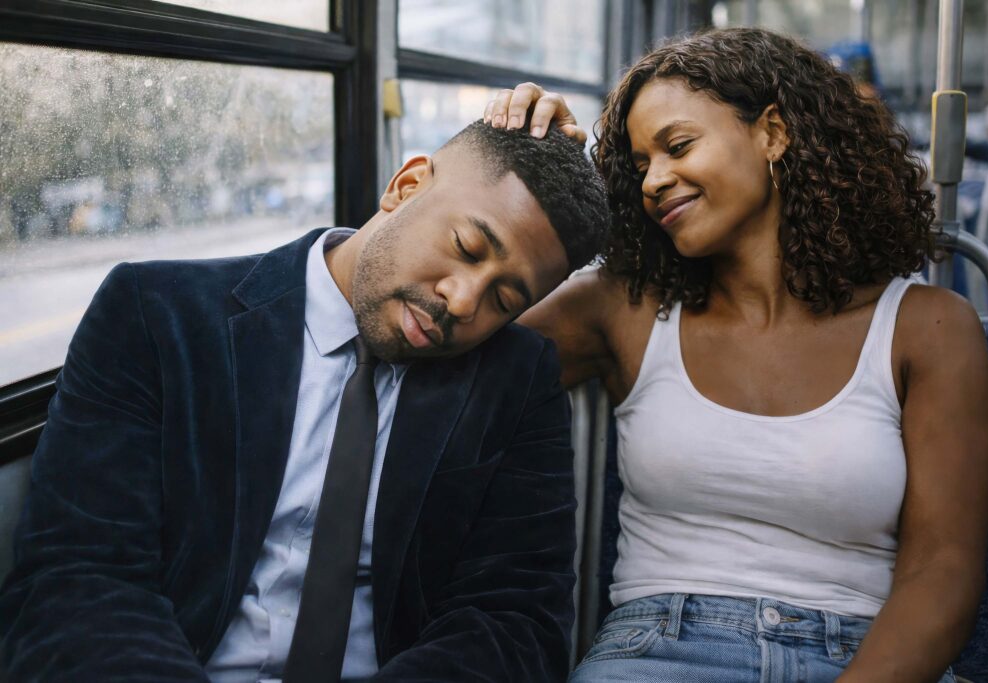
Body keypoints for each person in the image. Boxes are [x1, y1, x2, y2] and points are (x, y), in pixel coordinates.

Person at [0, 120, 610, 682]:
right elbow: (79, 576)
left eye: (505, 299)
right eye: (466, 248)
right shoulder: (157, 315)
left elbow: (517, 620)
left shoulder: (515, 380)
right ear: (405, 185)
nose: (463, 301)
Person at [486, 27, 988, 683]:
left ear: (773, 133)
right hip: (661, 649)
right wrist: (533, 165)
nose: (654, 181)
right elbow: (458, 358)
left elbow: (944, 569)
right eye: (640, 165)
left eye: (677, 146)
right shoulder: (625, 309)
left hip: (872, 654)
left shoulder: (927, 327)